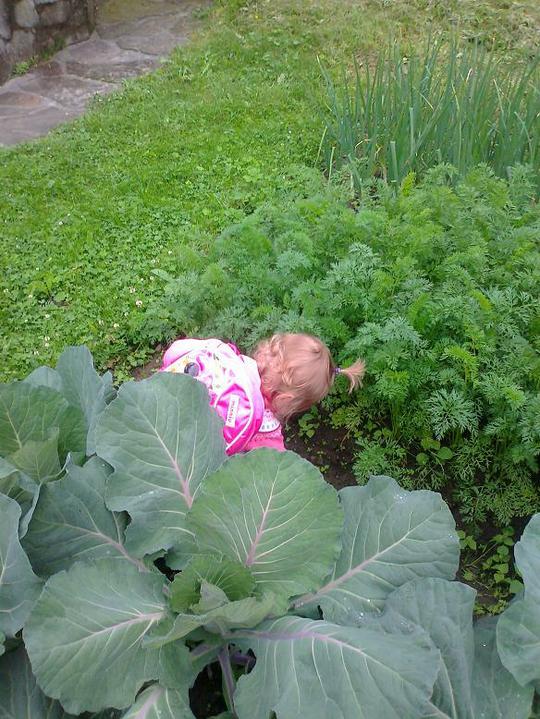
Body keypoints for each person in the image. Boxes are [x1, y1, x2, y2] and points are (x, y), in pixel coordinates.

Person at [161, 333, 365, 454]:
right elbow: (271, 470)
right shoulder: (266, 431)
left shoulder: (227, 358)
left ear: (268, 349)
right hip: (183, 455)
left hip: (160, 408)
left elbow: (175, 351)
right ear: (287, 400)